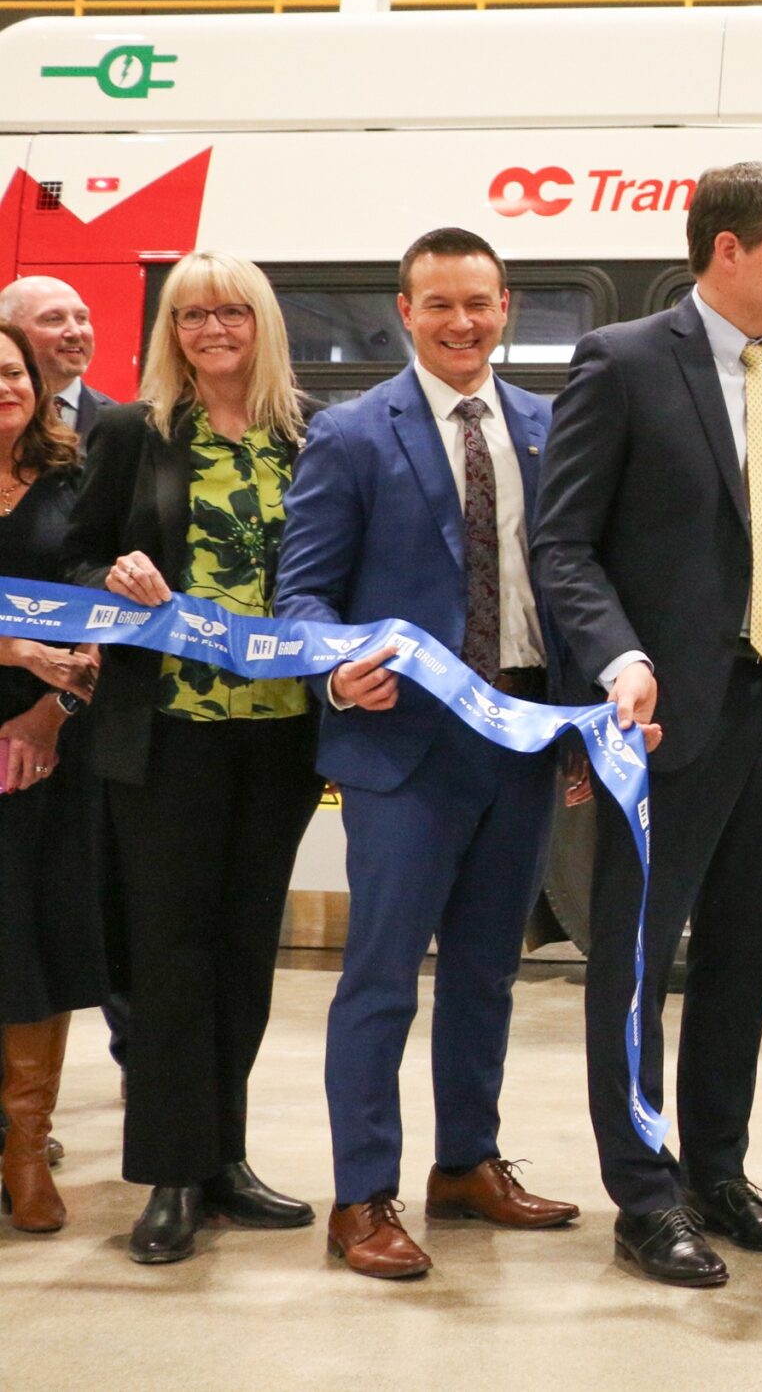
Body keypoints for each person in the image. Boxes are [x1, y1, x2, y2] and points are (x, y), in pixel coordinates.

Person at [533, 162, 762, 1289]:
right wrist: (621, 658)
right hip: (660, 724)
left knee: (739, 959)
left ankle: (716, 1171)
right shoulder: (623, 365)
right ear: (728, 251)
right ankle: (642, 1193)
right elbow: (563, 545)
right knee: (634, 961)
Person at [275, 228, 581, 1281]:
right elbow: (303, 592)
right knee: (380, 982)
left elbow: (573, 586)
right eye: (439, 304)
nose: (461, 323)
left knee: (490, 973)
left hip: (523, 740)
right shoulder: (354, 433)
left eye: (480, 304)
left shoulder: (551, 426)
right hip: (401, 753)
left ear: (508, 309)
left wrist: (586, 722)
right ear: (405, 311)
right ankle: (361, 1198)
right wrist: (332, 670)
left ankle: (466, 1165)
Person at [66, 248, 326, 1266]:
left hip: (279, 733)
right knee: (171, 956)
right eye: (189, 317)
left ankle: (226, 1159)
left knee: (245, 952)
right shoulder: (135, 434)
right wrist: (111, 571)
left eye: (231, 313)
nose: (212, 331)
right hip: (165, 733)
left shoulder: (308, 437)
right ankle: (171, 1175)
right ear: (169, 333)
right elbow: (73, 556)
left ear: (262, 323)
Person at [0, 320, 103, 1234]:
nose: (4, 386)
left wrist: (51, 713)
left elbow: (103, 620)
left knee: (32, 944)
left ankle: (27, 1148)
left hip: (41, 752)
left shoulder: (76, 478)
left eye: (13, 371)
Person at [0, 275, 103, 444]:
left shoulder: (123, 425)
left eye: (81, 318)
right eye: (54, 319)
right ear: (9, 330)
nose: (76, 332)